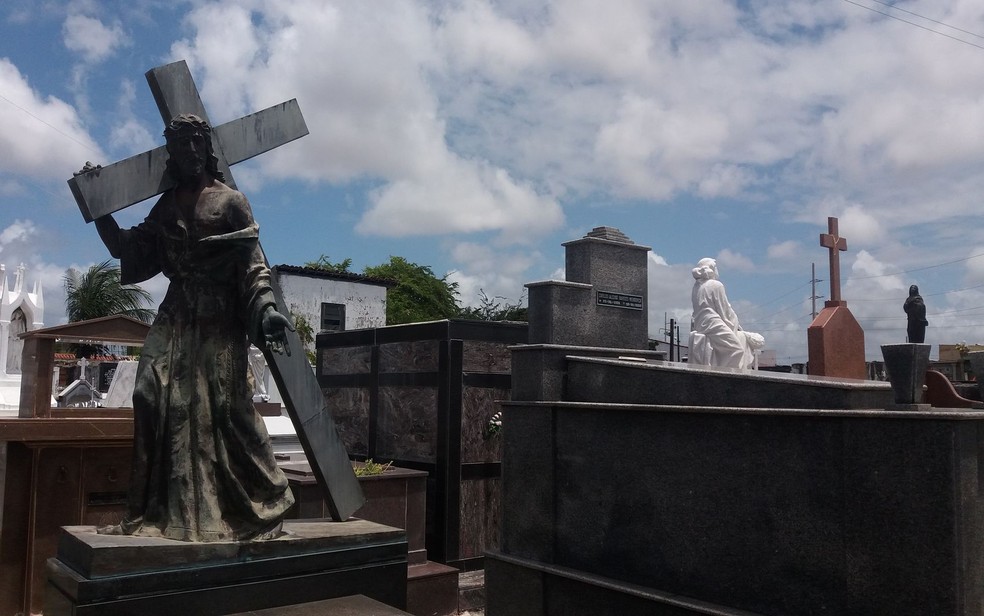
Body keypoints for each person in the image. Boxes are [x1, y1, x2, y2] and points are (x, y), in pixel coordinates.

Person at [90, 114, 295, 542]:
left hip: (218, 317)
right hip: (177, 311)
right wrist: (100, 205)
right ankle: (149, 512)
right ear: (173, 153)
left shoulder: (230, 201)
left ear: (205, 149)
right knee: (149, 393)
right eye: (179, 147)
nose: (187, 153)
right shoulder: (165, 206)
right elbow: (127, 248)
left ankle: (266, 498)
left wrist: (267, 310)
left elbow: (253, 266)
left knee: (226, 408)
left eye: (194, 145)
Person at [689, 257, 763, 369]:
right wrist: (735, 323)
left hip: (700, 323)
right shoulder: (716, 285)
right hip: (713, 323)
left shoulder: (697, 286)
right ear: (712, 269)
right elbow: (724, 308)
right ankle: (722, 375)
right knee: (736, 349)